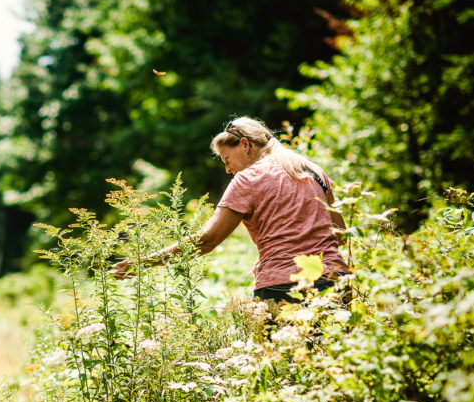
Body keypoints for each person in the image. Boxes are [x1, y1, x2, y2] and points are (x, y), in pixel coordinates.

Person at [111, 116, 349, 302]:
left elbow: (207, 241)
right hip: (334, 281)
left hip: (283, 289)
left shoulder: (249, 178)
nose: (227, 169)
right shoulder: (314, 171)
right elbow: (340, 234)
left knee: (285, 364)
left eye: (226, 159)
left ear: (245, 145)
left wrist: (143, 263)